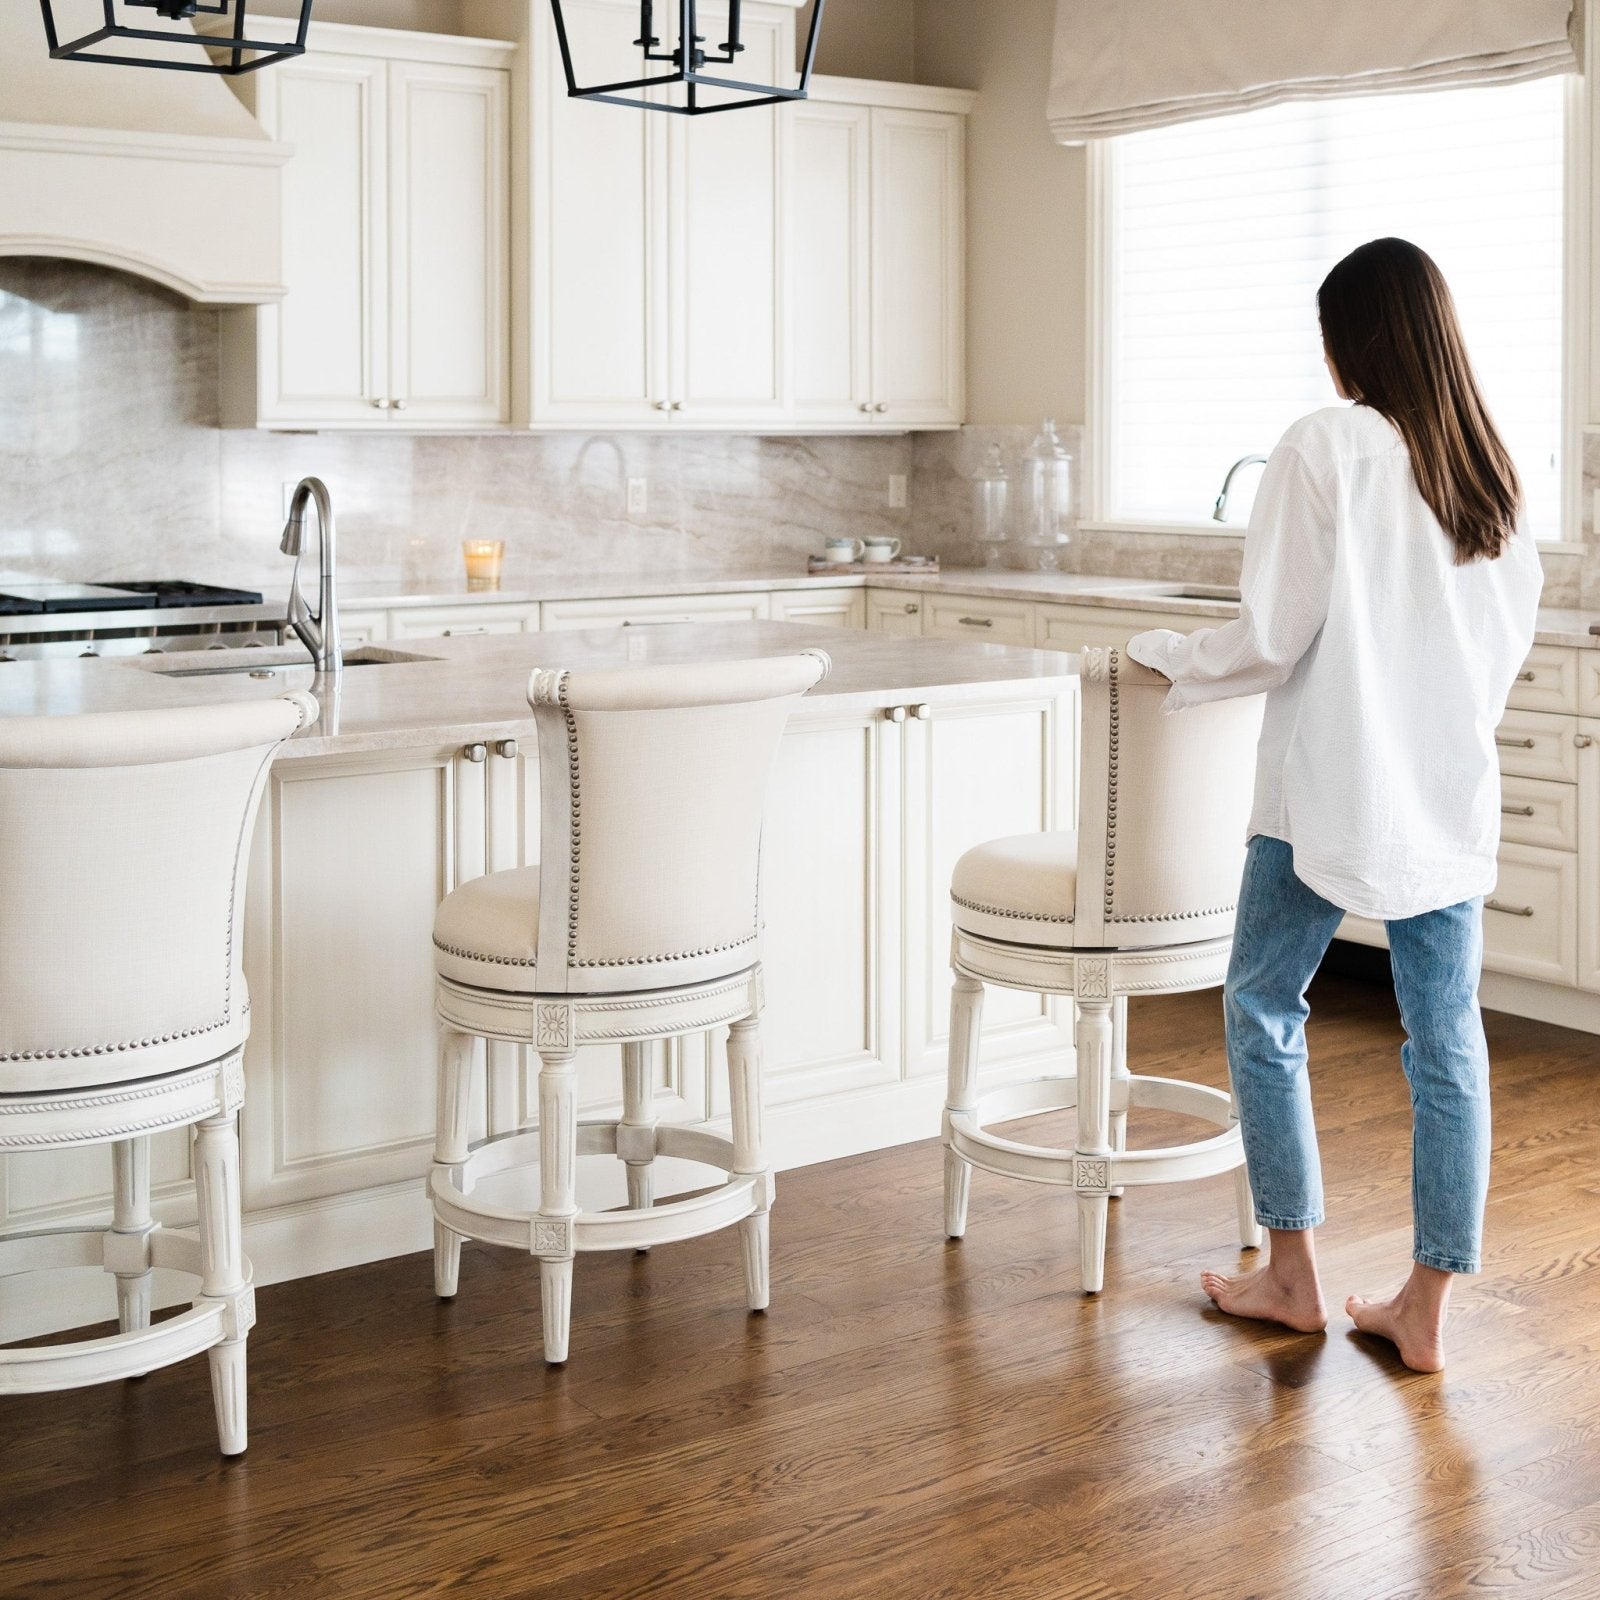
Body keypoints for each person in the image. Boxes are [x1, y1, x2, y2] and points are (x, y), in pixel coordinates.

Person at [1125, 237, 1544, 1373]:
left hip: (1323, 792)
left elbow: (1270, 636)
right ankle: (1423, 1309)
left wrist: (1162, 653)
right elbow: (1495, 648)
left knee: (1264, 1007)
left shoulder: (1325, 445)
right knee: (1446, 1045)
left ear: (1348, 339)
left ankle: (1293, 1275)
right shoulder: (1488, 464)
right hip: (1445, 796)